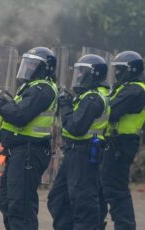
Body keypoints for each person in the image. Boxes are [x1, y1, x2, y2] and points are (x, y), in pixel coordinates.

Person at [0, 47, 58, 230]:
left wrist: (1, 106)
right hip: (19, 152)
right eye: (27, 63)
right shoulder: (30, 87)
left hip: (29, 152)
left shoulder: (43, 89)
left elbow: (21, 114)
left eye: (33, 64)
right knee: (7, 202)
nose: (28, 68)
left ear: (45, 68)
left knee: (20, 207)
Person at [47, 54, 110, 230]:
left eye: (83, 73)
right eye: (78, 72)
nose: (79, 77)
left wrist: (65, 104)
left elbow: (76, 126)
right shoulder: (87, 96)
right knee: (58, 198)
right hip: (74, 152)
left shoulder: (94, 98)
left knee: (83, 202)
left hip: (85, 153)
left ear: (95, 74)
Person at [100, 51, 145, 230]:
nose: (116, 73)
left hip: (122, 143)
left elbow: (111, 111)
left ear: (131, 70)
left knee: (116, 189)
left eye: (120, 69)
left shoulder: (136, 89)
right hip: (114, 142)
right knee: (105, 186)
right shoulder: (126, 87)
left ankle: (125, 226)